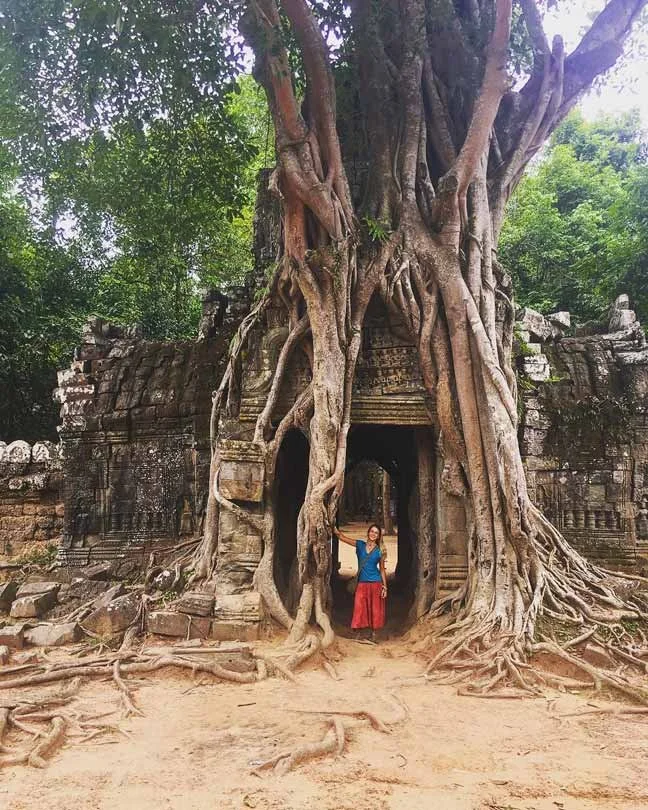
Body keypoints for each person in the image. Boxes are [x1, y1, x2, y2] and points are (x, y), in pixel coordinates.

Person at [334, 523, 387, 641]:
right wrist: (333, 528)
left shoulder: (380, 551)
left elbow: (382, 570)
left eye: (376, 533)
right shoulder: (360, 545)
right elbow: (342, 538)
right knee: (359, 608)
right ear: (368, 532)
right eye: (372, 531)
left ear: (378, 536)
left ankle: (374, 634)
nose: (373, 534)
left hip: (376, 583)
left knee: (375, 609)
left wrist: (385, 587)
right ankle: (359, 633)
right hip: (362, 583)